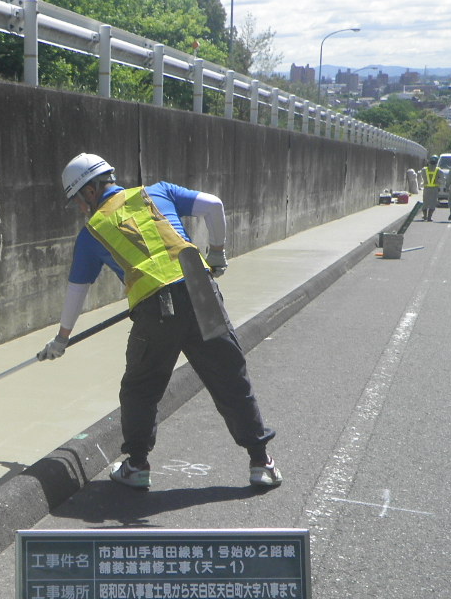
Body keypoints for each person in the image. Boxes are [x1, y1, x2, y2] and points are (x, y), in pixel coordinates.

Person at [37, 153, 280, 491]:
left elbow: (77, 291)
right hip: (200, 288)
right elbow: (214, 205)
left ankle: (136, 466)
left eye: (78, 200)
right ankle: (260, 462)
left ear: (91, 191)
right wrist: (217, 253)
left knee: (140, 389)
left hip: (156, 310)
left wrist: (61, 339)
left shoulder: (93, 232)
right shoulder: (156, 192)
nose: (80, 209)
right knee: (229, 376)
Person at [420, 154, 442, 222]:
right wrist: (439, 184)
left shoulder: (424, 170)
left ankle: (425, 216)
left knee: (425, 202)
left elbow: (422, 177)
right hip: (434, 188)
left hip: (426, 188)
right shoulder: (438, 170)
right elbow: (442, 180)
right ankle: (429, 217)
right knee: (433, 203)